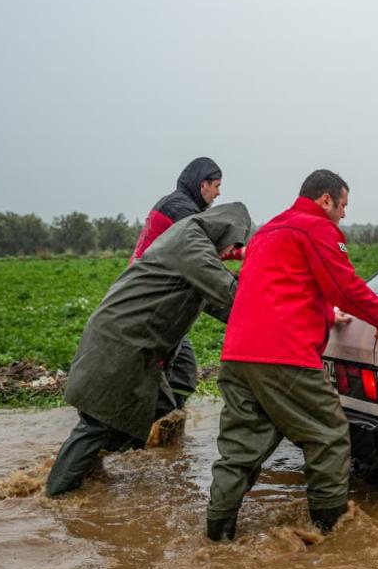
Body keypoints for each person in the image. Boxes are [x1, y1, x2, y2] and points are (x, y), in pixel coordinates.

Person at [205, 169, 378, 542]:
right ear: (326, 200)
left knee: (240, 448)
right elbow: (343, 286)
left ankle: (217, 534)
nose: (344, 215)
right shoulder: (315, 227)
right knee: (329, 435)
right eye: (343, 205)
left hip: (237, 357)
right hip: (284, 357)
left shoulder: (268, 232)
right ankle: (330, 531)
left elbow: (286, 288)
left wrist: (326, 316)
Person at [45, 202, 252, 497]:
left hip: (133, 343)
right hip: (121, 341)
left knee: (153, 413)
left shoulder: (193, 246)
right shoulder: (191, 241)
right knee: (98, 423)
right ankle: (56, 496)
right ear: (225, 229)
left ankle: (87, 480)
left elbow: (223, 305)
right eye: (233, 244)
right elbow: (230, 295)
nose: (229, 252)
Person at [130, 157, 227, 406]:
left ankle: (167, 430)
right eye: (216, 185)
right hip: (152, 302)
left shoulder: (176, 204)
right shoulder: (182, 210)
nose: (218, 192)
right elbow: (202, 261)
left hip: (152, 299)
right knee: (163, 370)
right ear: (202, 184)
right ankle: (155, 424)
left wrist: (237, 251)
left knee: (182, 370)